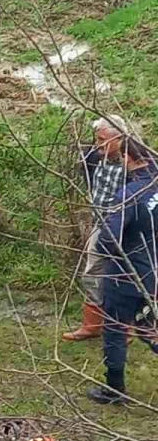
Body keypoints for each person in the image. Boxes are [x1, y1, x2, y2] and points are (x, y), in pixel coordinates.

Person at [86, 135, 157, 404]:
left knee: (115, 330)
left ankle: (114, 390)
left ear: (128, 158)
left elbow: (109, 238)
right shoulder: (155, 186)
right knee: (148, 327)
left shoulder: (129, 194)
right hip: (151, 272)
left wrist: (104, 253)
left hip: (123, 274)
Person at [63, 116, 133, 341]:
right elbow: (89, 179)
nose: (98, 144)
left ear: (120, 139)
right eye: (97, 138)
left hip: (127, 230)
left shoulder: (135, 163)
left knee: (125, 276)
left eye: (103, 140)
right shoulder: (94, 158)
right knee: (92, 272)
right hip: (99, 225)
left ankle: (126, 327)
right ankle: (92, 325)